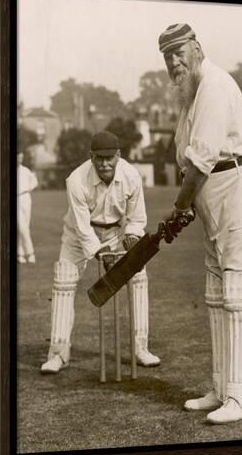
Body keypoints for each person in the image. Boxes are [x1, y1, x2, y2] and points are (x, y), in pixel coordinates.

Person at [159, 23, 242, 423]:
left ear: (197, 48)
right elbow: (189, 158)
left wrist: (179, 207)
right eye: (167, 55)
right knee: (214, 295)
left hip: (239, 191)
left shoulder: (214, 86)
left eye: (180, 52)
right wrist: (190, 205)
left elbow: (201, 160)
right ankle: (223, 386)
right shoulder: (190, 94)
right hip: (214, 200)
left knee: (238, 293)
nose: (174, 61)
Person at [41, 130, 160, 374]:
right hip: (78, 235)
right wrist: (99, 252)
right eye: (99, 158)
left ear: (119, 155)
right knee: (63, 278)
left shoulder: (132, 176)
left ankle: (140, 348)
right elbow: (84, 229)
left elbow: (137, 218)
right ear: (91, 156)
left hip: (117, 233)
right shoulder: (76, 180)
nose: (104, 164)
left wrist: (133, 235)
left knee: (138, 276)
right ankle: (58, 353)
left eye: (110, 158)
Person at [17, 150, 38, 264]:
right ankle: (30, 253)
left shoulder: (25, 170)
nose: (19, 160)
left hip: (26, 198)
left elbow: (34, 181)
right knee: (22, 227)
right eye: (17, 157)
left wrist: (28, 188)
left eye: (20, 158)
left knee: (25, 226)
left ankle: (20, 254)